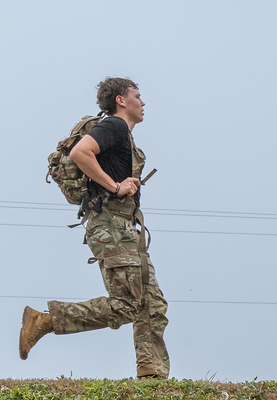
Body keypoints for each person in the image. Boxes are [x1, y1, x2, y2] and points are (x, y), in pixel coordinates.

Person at [19, 77, 170, 379]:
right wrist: (116, 187)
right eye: (137, 96)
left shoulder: (121, 133)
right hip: (110, 225)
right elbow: (80, 152)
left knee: (152, 303)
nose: (143, 102)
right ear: (121, 101)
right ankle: (46, 321)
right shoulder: (115, 126)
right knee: (128, 304)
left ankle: (152, 377)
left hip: (123, 226)